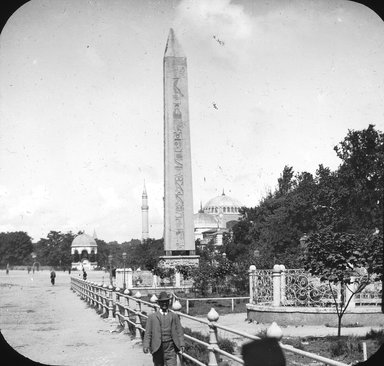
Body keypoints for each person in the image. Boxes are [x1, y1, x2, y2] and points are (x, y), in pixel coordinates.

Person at [143, 291, 185, 366]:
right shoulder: (152, 317)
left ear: (169, 302)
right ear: (159, 303)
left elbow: (179, 331)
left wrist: (181, 343)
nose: (164, 304)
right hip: (157, 347)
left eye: (166, 302)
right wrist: (146, 345)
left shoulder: (174, 316)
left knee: (172, 364)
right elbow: (148, 333)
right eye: (162, 302)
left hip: (171, 346)